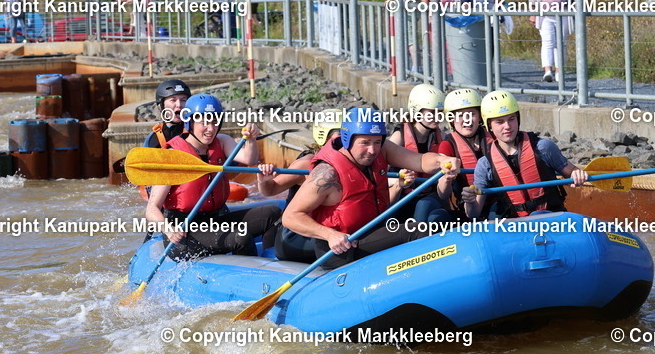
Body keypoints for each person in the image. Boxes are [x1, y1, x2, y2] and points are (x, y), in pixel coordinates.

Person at [281, 107, 459, 268]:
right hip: (342, 249)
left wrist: (441, 160)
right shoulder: (327, 174)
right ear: (347, 140)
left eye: (376, 142)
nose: (373, 150)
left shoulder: (382, 148)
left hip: (372, 230)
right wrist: (328, 235)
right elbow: (290, 216)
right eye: (365, 142)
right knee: (416, 230)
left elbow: (419, 161)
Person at [145, 94, 279, 260]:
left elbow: (249, 159)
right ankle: (248, 276)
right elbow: (151, 209)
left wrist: (251, 139)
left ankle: (274, 264)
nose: (210, 128)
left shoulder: (222, 141)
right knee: (241, 237)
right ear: (190, 122)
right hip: (185, 231)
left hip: (217, 219)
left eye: (215, 121)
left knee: (273, 214)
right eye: (204, 122)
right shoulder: (173, 157)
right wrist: (169, 229)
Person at [461, 90, 587, 220]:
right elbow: (473, 213)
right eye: (500, 122)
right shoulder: (485, 164)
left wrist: (577, 174)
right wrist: (469, 201)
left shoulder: (543, 147)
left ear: (518, 119)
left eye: (511, 119)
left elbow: (572, 172)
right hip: (516, 226)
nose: (508, 126)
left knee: (537, 215)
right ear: (489, 125)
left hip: (552, 218)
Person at [257, 114, 342, 262]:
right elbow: (270, 190)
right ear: (324, 138)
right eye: (340, 138)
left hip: (320, 227)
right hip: (294, 235)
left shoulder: (349, 160)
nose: (346, 143)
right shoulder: (306, 164)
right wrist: (264, 180)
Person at [386, 85, 450, 222]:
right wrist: (398, 181)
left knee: (424, 207)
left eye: (439, 112)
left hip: (430, 195)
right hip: (402, 193)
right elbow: (380, 173)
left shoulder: (443, 137)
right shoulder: (399, 136)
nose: (437, 117)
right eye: (431, 113)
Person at [436, 88, 489, 219]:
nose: (467, 120)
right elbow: (442, 194)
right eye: (460, 115)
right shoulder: (447, 145)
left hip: (494, 204)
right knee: (435, 217)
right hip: (464, 210)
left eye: (471, 114)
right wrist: (447, 179)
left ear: (480, 117)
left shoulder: (493, 139)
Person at [529, 0, 574, 83]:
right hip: (545, 13)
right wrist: (533, 12)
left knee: (561, 42)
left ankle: (559, 70)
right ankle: (548, 70)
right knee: (548, 41)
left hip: (563, 12)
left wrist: (575, 9)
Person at [143, 79, 193, 149]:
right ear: (161, 106)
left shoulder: (196, 132)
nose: (179, 105)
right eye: (173, 100)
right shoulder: (153, 138)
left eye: (183, 100)